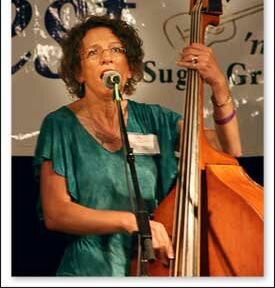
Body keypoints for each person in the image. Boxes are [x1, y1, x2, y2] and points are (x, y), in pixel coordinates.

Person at [33, 14, 242, 276]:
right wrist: (132, 221)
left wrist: (219, 86)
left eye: (116, 50)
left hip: (155, 269)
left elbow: (228, 152)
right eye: (93, 52)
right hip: (88, 271)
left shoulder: (157, 120)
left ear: (129, 67)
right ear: (78, 72)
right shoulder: (59, 124)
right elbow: (56, 213)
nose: (106, 58)